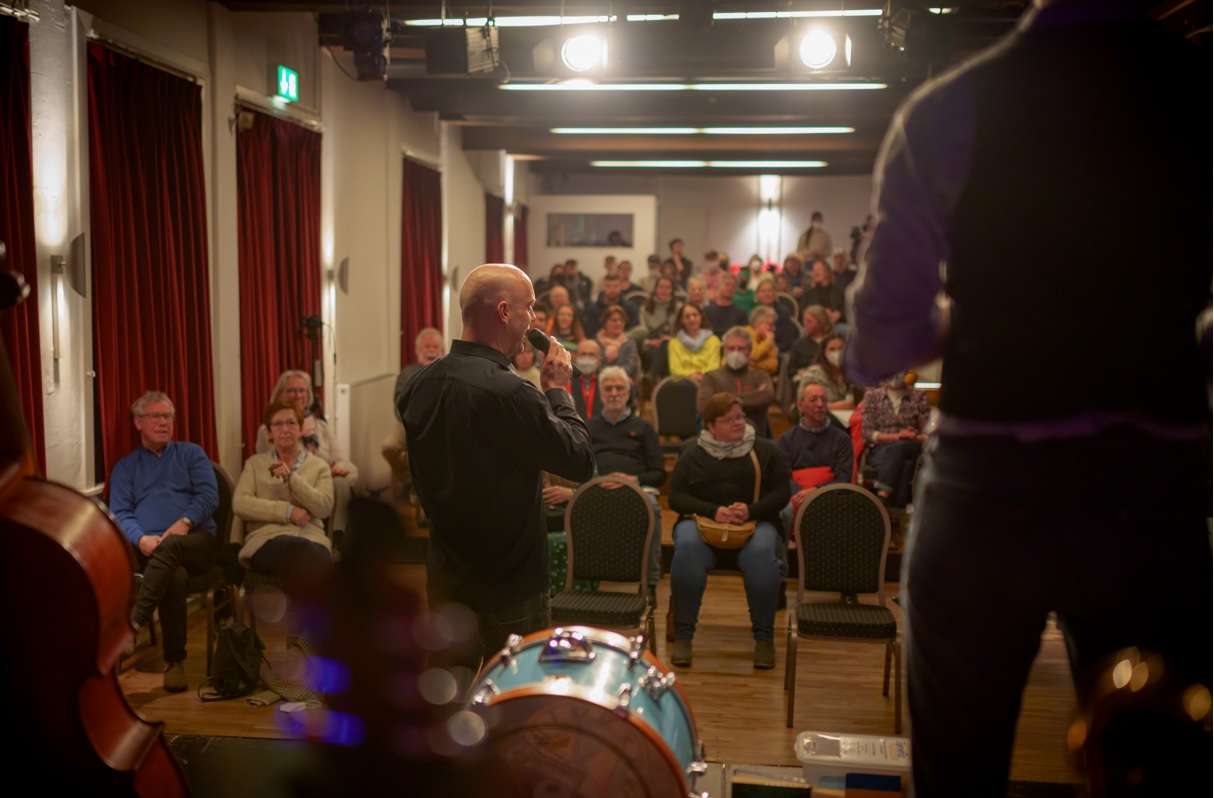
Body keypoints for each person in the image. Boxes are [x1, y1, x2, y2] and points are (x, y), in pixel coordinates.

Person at [847, 6, 1212, 795]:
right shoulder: (1198, 93)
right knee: (1159, 766)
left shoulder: (952, 105)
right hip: (1153, 488)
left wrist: (973, 317)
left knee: (957, 771)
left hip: (989, 486)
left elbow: (876, 346)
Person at [399, 264, 594, 673]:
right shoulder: (512, 393)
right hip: (510, 583)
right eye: (530, 308)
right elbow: (579, 460)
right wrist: (558, 391)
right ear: (505, 312)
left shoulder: (417, 384)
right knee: (514, 690)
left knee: (449, 691)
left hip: (447, 573)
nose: (534, 320)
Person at [668, 393, 790, 669]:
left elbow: (781, 493)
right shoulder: (692, 452)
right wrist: (713, 511)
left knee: (762, 554)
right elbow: (676, 497)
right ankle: (684, 636)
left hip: (756, 523)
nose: (738, 423)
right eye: (729, 419)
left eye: (740, 417)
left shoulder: (766, 451)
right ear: (711, 426)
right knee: (687, 548)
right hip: (703, 524)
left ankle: (764, 638)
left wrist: (751, 510)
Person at [111, 391, 218, 693]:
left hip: (196, 541)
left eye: (168, 416)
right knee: (174, 575)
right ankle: (175, 662)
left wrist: (184, 522)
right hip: (152, 548)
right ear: (138, 422)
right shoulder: (126, 467)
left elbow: (209, 496)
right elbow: (120, 512)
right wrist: (141, 538)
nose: (163, 422)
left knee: (171, 548)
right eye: (156, 416)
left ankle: (134, 623)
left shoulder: (191, 454)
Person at [542, 367, 665, 595]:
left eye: (619, 388)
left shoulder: (644, 428)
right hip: (595, 489)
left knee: (652, 509)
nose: (614, 393)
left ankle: (649, 582)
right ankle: (585, 582)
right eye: (609, 388)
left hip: (636, 489)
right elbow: (580, 467)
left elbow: (659, 473)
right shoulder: (588, 426)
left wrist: (633, 479)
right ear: (601, 393)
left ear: (628, 392)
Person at [235, 400, 335, 579]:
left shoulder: (319, 466)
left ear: (300, 429)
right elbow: (240, 504)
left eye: (291, 423)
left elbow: (324, 508)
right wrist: (287, 511)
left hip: (311, 539)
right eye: (278, 424)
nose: (285, 429)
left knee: (307, 555)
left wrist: (292, 478)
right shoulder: (255, 464)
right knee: (295, 553)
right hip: (267, 539)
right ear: (269, 432)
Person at [256, 370, 358, 539]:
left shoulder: (321, 428)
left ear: (308, 395)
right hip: (289, 487)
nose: (297, 395)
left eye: (302, 390)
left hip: (322, 485)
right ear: (280, 394)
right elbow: (270, 467)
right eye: (291, 391)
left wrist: (336, 469)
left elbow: (344, 463)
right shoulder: (268, 430)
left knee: (341, 483)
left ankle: (338, 537)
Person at [777, 382, 854, 534]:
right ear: (800, 405)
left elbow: (844, 477)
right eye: (813, 400)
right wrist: (801, 494)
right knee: (784, 512)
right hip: (796, 497)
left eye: (823, 400)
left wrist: (817, 491)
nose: (820, 404)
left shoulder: (842, 439)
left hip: (831, 495)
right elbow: (782, 477)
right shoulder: (786, 439)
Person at [859, 374, 930, 508]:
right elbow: (867, 432)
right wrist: (897, 436)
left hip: (911, 446)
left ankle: (882, 497)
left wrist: (914, 435)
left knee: (901, 447)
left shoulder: (919, 396)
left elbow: (927, 434)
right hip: (881, 450)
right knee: (905, 464)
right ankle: (899, 509)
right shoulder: (872, 395)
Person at [698, 327, 776, 437]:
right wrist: (752, 397)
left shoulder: (760, 375)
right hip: (719, 439)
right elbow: (704, 406)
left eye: (741, 348)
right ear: (724, 350)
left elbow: (767, 396)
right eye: (731, 348)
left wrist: (720, 400)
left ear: (749, 351)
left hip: (755, 437)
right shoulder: (711, 377)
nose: (736, 352)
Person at [794, 334, 855, 410]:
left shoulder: (852, 372)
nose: (837, 353)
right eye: (832, 349)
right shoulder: (813, 374)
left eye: (841, 348)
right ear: (824, 353)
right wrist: (839, 406)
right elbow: (807, 406)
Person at [394, 327, 445, 415]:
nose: (431, 350)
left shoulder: (449, 373)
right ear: (418, 350)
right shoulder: (407, 374)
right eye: (427, 346)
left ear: (442, 352)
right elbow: (399, 408)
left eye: (436, 347)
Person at [668, 303, 720, 384]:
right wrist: (690, 375)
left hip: (708, 381)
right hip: (683, 382)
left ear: (701, 317)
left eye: (695, 315)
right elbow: (675, 369)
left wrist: (701, 376)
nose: (692, 319)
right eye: (687, 316)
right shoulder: (674, 343)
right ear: (682, 320)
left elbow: (714, 367)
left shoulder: (713, 340)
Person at [753, 276, 799, 353]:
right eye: (763, 291)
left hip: (778, 351)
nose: (766, 294)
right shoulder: (754, 313)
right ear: (757, 295)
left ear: (775, 294)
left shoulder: (783, 313)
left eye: (770, 291)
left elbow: (787, 341)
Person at [595, 304, 640, 380]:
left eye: (621, 320)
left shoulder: (629, 343)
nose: (618, 323)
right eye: (614, 320)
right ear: (605, 322)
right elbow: (597, 366)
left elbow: (630, 366)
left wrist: (615, 376)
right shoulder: (596, 344)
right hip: (601, 380)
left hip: (624, 380)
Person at [787, 304, 833, 378]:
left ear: (821, 322)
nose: (805, 324)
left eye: (809, 321)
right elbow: (791, 371)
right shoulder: (799, 345)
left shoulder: (833, 342)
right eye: (804, 320)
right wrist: (802, 373)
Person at [703, 273, 749, 338]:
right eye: (727, 284)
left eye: (733, 286)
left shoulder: (741, 314)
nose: (730, 288)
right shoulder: (706, 311)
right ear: (719, 286)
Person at [802, 259, 845, 326]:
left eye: (819, 269)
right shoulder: (808, 293)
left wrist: (838, 314)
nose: (815, 272)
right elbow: (803, 312)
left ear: (827, 272)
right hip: (815, 325)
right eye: (814, 270)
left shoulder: (838, 291)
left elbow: (843, 309)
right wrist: (821, 313)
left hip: (835, 325)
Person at [570, 339, 605, 420]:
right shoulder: (567, 381)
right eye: (583, 354)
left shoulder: (606, 381)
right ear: (576, 357)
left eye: (591, 355)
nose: (586, 358)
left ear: (599, 359)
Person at [747, 306, 779, 376]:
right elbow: (753, 355)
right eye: (770, 325)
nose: (774, 329)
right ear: (758, 323)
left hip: (760, 377)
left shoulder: (767, 339)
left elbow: (773, 365)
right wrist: (767, 341)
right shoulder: (746, 333)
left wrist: (755, 365)